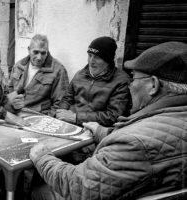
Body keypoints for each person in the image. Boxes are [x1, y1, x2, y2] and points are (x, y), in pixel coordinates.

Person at [29, 41, 187, 200]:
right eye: (89, 56)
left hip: (88, 173)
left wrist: (42, 157)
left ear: (153, 85)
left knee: (39, 190)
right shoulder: (171, 119)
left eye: (134, 79)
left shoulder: (131, 143)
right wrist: (104, 132)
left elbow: (78, 187)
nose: (131, 86)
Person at [56, 36, 131, 127]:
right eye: (90, 55)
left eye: (97, 57)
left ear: (108, 60)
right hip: (71, 125)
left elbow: (114, 115)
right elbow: (67, 99)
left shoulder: (121, 81)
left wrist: (76, 118)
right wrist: (61, 115)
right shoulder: (80, 74)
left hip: (97, 130)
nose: (91, 61)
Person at [8, 34, 69, 116]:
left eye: (43, 53)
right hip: (15, 113)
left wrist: (48, 119)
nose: (39, 57)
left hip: (39, 116)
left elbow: (61, 102)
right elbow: (9, 90)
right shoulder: (19, 65)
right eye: (35, 52)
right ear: (29, 50)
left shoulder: (58, 70)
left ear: (47, 52)